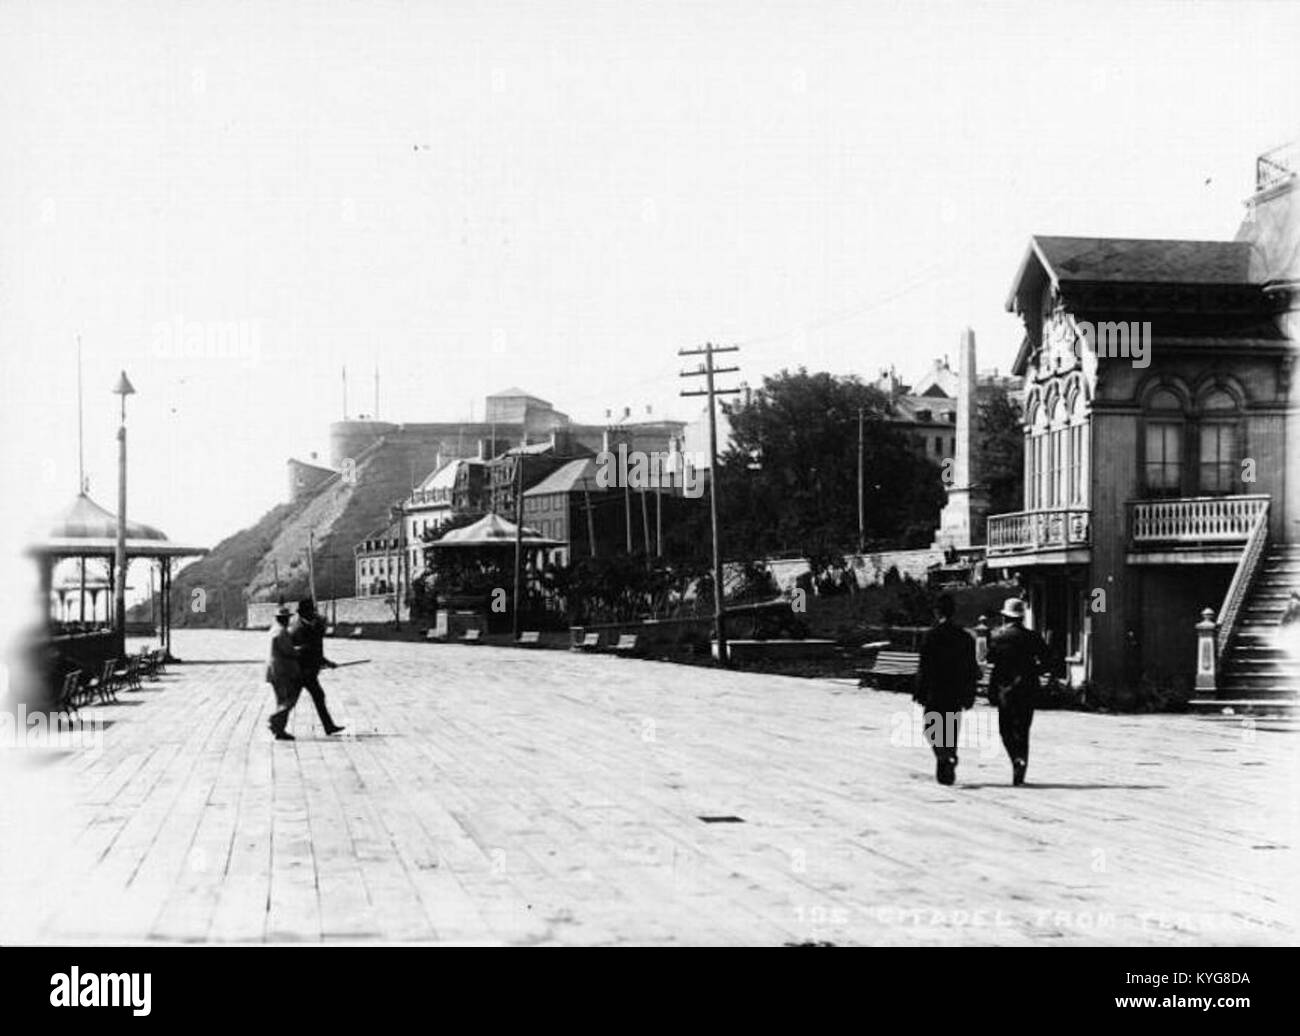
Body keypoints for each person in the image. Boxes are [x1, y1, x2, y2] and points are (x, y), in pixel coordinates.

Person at [914, 593, 982, 785]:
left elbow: (924, 667)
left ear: (937, 613)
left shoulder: (931, 636)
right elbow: (971, 669)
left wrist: (919, 691)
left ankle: (944, 756)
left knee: (931, 729)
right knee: (950, 730)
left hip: (935, 691)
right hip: (956, 692)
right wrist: (970, 694)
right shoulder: (965, 637)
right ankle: (948, 760)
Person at [986, 597, 1048, 786]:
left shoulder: (997, 636)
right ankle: (1020, 766)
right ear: (1022, 617)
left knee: (1006, 730)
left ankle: (1015, 758)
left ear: (1005, 617)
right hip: (1028, 689)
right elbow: (1047, 660)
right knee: (1023, 730)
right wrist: (1034, 670)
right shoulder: (1033, 637)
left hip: (1005, 689)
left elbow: (990, 659)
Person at [290, 597, 344, 736]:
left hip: (308, 671)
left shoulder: (309, 626)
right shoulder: (300, 628)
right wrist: (325, 662)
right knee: (293, 700)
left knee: (315, 697)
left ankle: (329, 726)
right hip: (302, 672)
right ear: (304, 613)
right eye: (310, 611)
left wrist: (326, 662)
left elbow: (315, 650)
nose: (313, 613)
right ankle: (277, 726)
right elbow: (306, 650)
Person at [266, 605, 302, 741]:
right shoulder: (282, 632)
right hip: (283, 671)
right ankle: (274, 720)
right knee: (289, 699)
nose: (288, 621)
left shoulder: (273, 630)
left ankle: (279, 730)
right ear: (283, 619)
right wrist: (300, 650)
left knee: (281, 700)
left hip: (274, 671)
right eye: (286, 618)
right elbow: (289, 651)